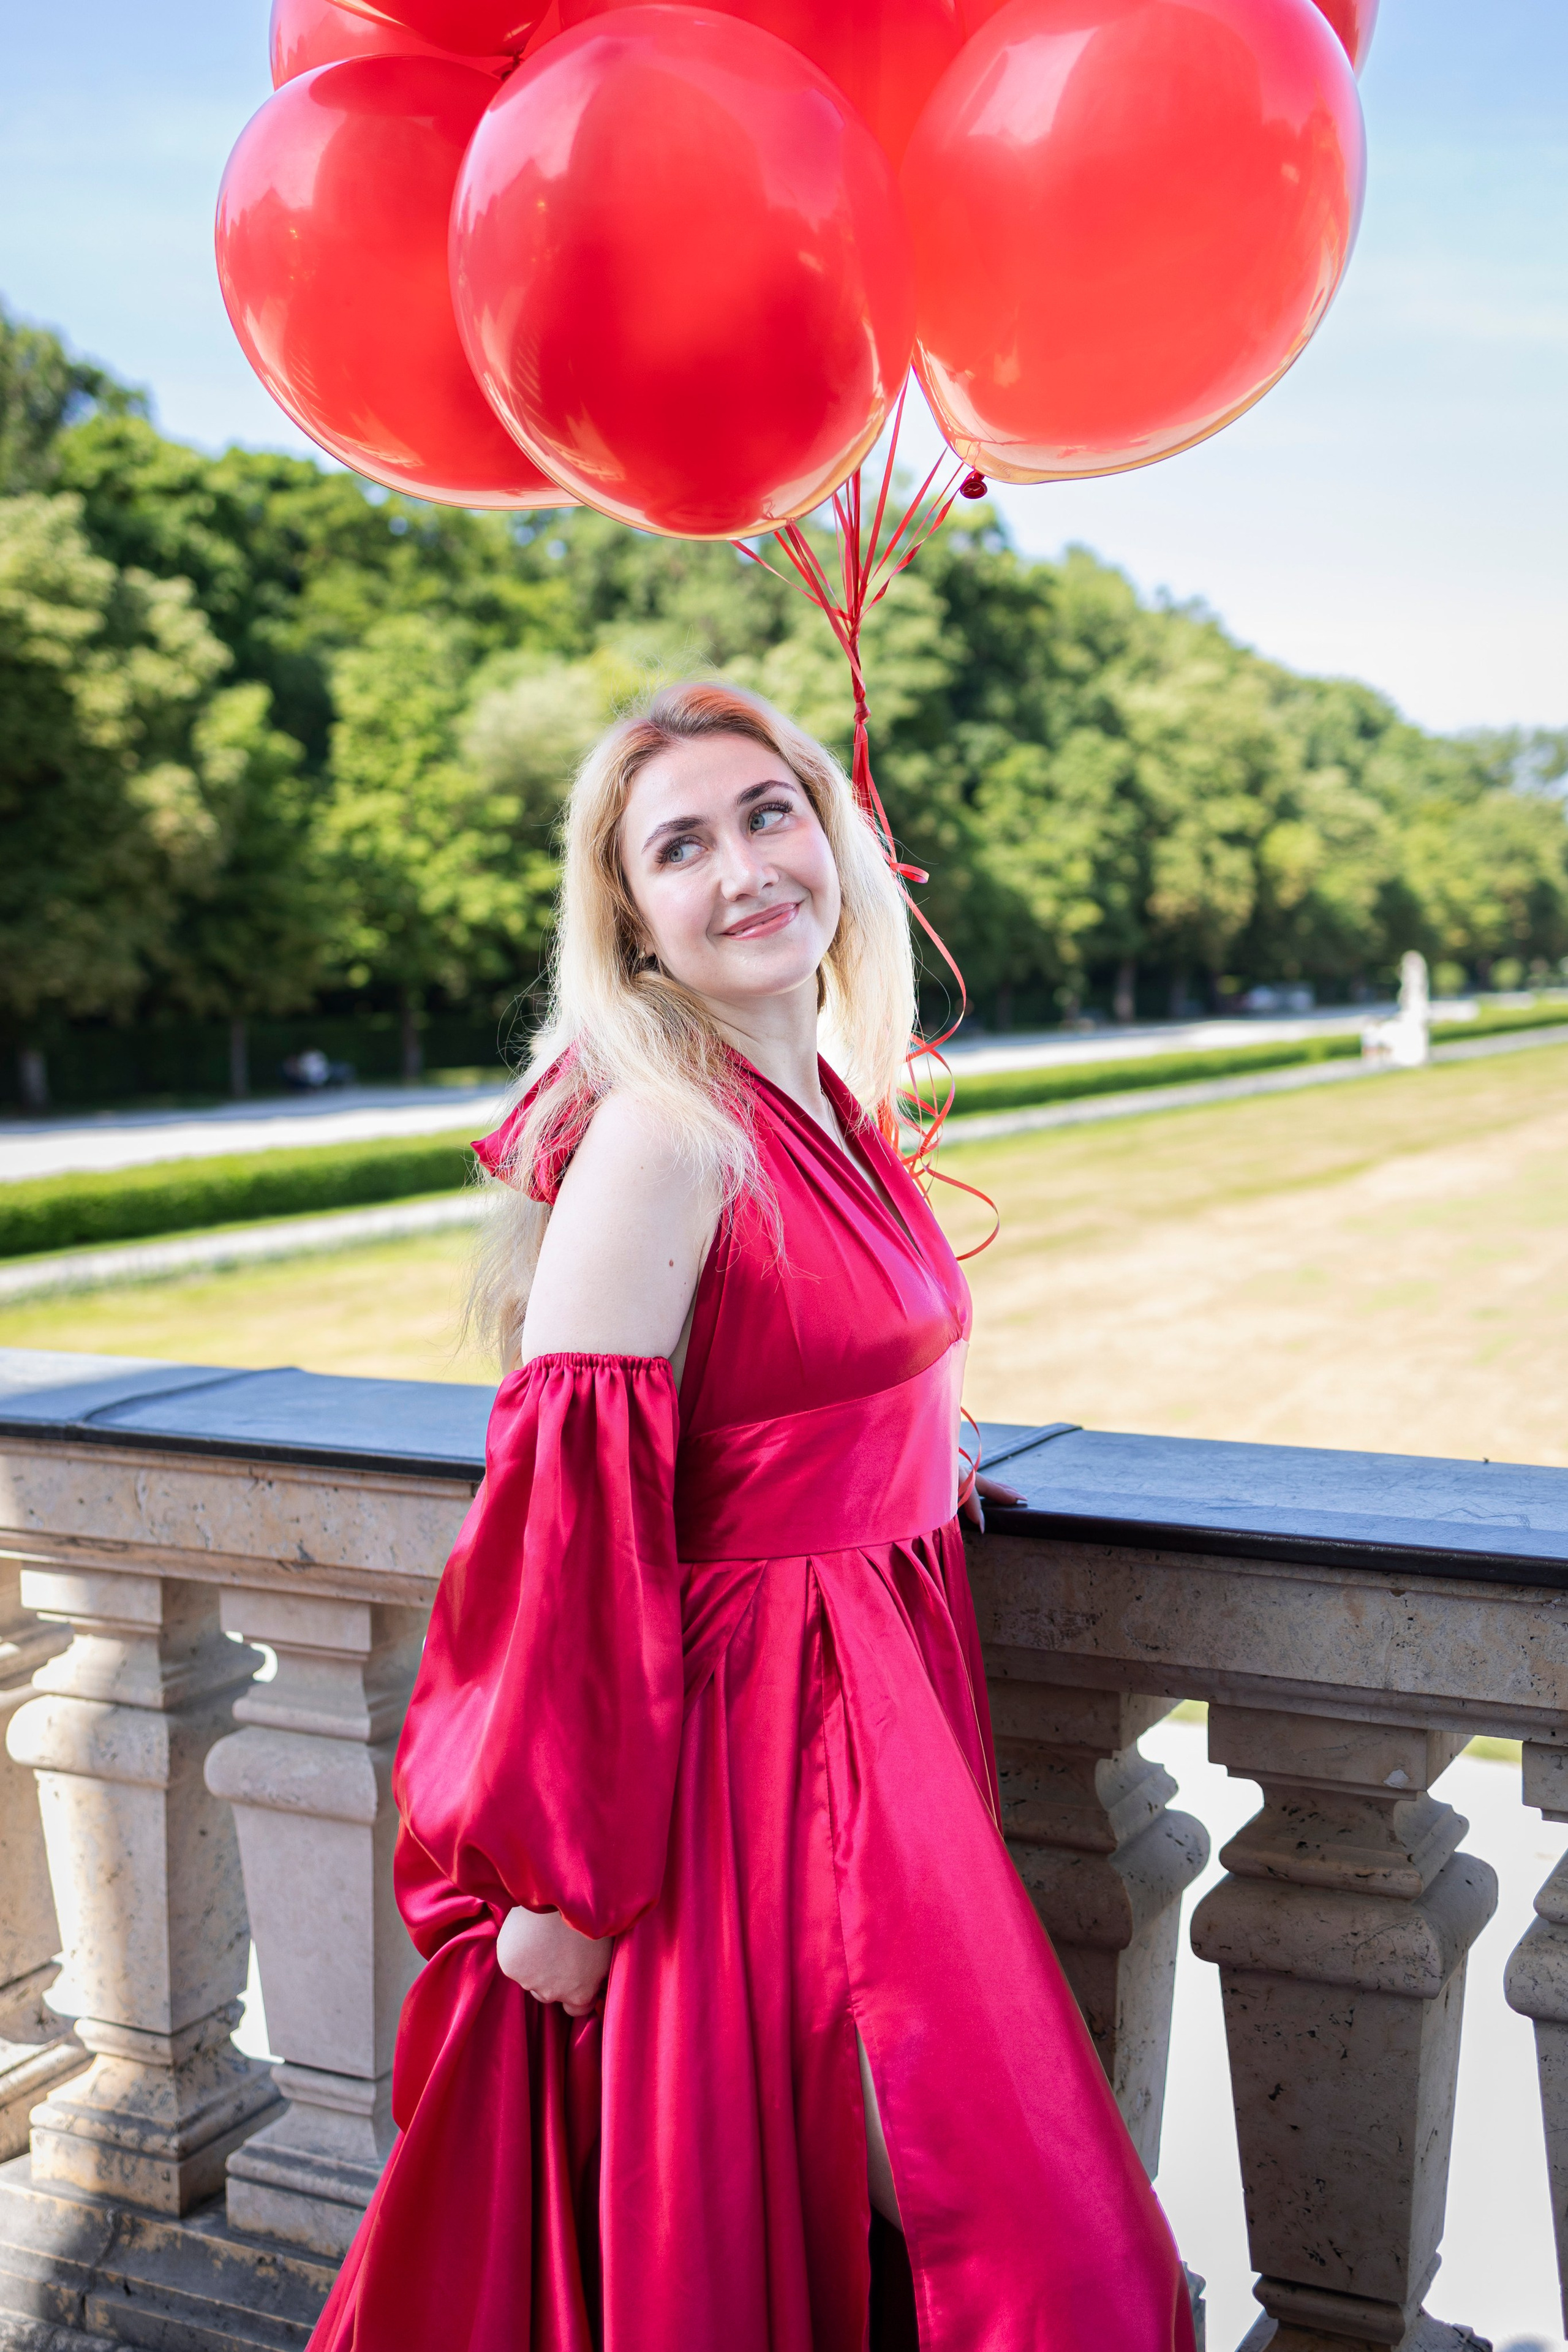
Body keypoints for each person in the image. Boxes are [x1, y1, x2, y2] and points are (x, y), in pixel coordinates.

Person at [310, 681, 1195, 2352]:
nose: (743, 869)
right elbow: (560, 1522)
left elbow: (816, 1382)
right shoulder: (663, 1135)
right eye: (682, 846)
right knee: (1049, 2263)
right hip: (747, 1770)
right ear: (633, 922)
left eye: (767, 814)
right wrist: (561, 1889)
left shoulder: (823, 1105)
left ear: (831, 838)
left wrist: (906, 1461)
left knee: (927, 2244)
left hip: (868, 1714)